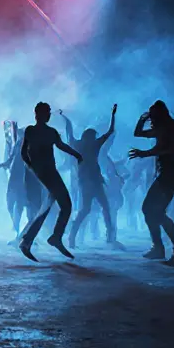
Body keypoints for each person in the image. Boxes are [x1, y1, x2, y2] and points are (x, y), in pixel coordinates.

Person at [19, 102, 84, 261]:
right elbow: (24, 151)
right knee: (66, 205)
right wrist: (31, 166)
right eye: (45, 112)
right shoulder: (33, 130)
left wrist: (76, 154)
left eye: (48, 112)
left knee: (47, 206)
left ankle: (27, 240)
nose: (48, 115)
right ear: (37, 114)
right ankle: (54, 237)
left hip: (48, 171)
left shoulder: (47, 132)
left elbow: (60, 146)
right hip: (47, 172)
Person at [129, 100, 174, 264]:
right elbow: (138, 133)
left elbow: (167, 149)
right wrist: (142, 118)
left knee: (154, 210)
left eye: (153, 115)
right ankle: (161, 248)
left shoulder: (168, 128)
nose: (151, 118)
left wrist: (145, 153)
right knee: (151, 210)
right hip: (167, 174)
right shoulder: (163, 128)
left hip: (171, 174)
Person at [65, 105, 120, 249]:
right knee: (101, 208)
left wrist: (66, 119)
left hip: (87, 181)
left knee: (88, 209)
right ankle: (108, 236)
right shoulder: (94, 145)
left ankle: (73, 237)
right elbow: (110, 132)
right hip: (92, 181)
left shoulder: (77, 144)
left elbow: (69, 133)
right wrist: (113, 115)